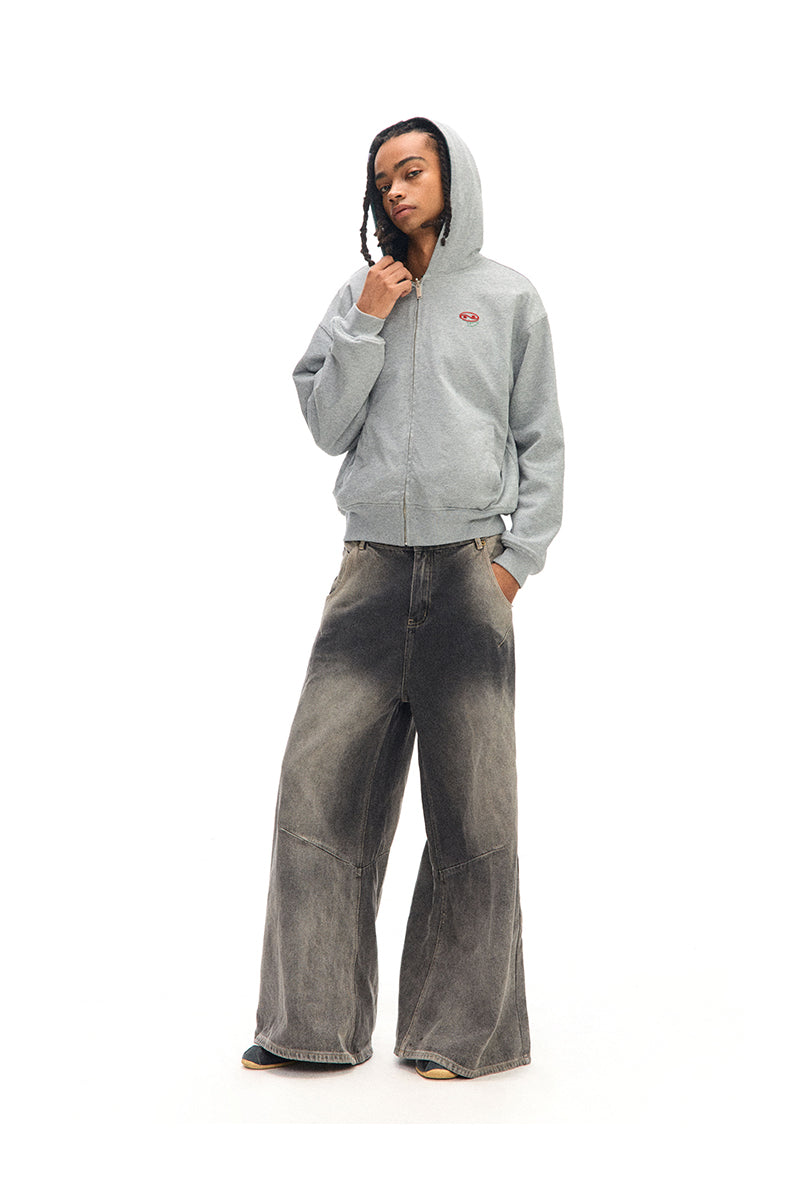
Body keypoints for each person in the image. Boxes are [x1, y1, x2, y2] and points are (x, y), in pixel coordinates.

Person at [242, 117, 564, 1080]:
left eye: (412, 170)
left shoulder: (508, 297)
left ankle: (463, 1036)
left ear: (452, 176)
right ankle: (309, 1028)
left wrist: (514, 562)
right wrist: (367, 318)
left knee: (474, 811)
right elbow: (326, 424)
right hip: (370, 573)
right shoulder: (360, 293)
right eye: (382, 177)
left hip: (470, 571)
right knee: (316, 790)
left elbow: (541, 438)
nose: (395, 188)